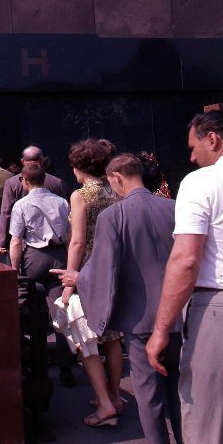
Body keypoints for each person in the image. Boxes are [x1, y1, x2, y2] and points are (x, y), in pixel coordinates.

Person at [53, 153, 182, 440]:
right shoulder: (174, 207)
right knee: (180, 391)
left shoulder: (115, 215)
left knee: (149, 397)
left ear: (117, 177)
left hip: (140, 320)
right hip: (178, 315)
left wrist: (77, 279)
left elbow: (104, 265)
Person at [146, 110, 223, 444]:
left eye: (194, 147)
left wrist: (161, 330)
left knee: (206, 417)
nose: (191, 157)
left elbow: (186, 260)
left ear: (213, 140)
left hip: (215, 308)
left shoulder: (201, 182)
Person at [62, 138, 124, 413]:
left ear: (79, 166)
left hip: (87, 270)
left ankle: (105, 401)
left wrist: (69, 278)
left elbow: (77, 241)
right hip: (113, 268)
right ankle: (116, 395)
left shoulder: (80, 195)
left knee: (85, 338)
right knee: (112, 337)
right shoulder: (115, 190)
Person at [5, 163, 75, 390]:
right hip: (58, 256)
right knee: (60, 312)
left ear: (24, 182)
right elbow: (69, 235)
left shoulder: (21, 205)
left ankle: (37, 363)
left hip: (34, 258)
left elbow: (16, 241)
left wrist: (14, 269)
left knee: (32, 313)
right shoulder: (62, 202)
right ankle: (66, 369)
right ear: (45, 179)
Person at [0, 145, 70, 258]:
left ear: (22, 161)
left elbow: (6, 213)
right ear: (42, 161)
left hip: (26, 247)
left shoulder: (12, 183)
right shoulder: (57, 182)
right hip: (58, 249)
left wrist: (3, 242)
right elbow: (67, 217)